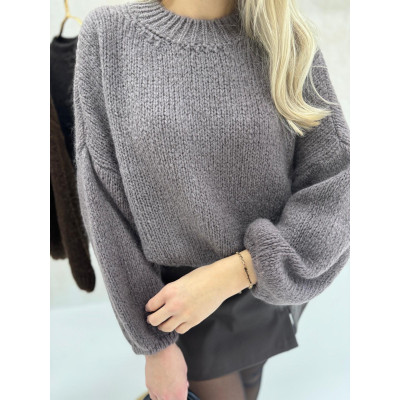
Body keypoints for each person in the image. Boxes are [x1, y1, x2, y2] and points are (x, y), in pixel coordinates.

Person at [72, 0, 350, 399]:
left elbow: (341, 183)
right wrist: (155, 345)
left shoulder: (282, 36)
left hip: (263, 282)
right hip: (175, 302)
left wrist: (237, 272)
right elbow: (103, 201)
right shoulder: (109, 33)